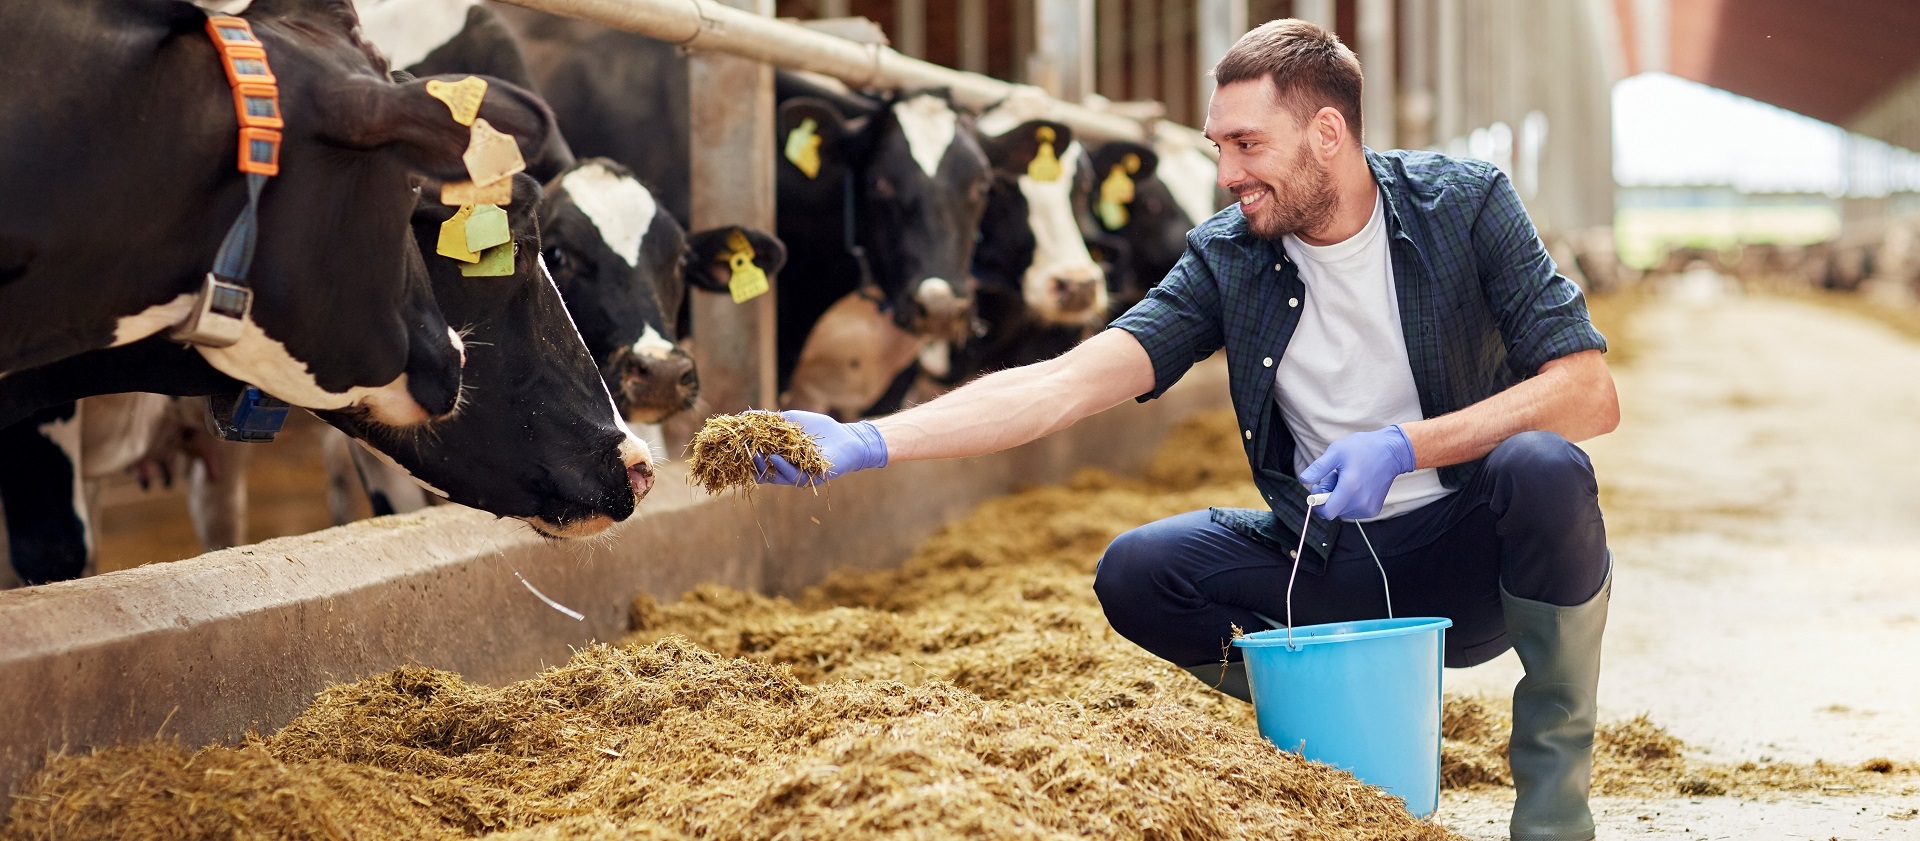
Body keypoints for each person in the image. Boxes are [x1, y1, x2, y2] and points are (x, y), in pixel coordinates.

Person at [750, 18, 1617, 841]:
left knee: (1545, 468)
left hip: (1474, 563)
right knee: (1138, 571)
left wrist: (1405, 446)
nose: (1227, 173)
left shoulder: (1463, 206)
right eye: (1219, 147)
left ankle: (1550, 810)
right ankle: (1341, 720)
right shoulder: (1228, 256)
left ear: (1327, 132)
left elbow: (1588, 391)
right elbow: (1066, 381)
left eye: (1248, 145)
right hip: (1327, 561)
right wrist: (874, 439)